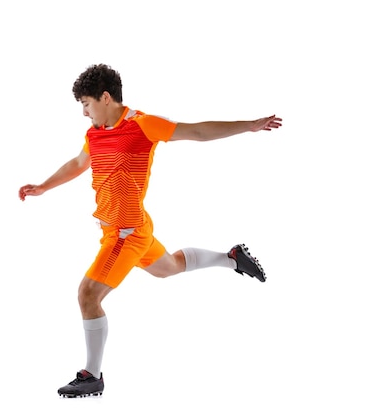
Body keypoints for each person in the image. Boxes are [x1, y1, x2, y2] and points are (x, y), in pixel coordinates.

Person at [18, 64, 282, 398]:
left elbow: (196, 131)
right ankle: (231, 259)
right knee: (169, 267)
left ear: (105, 97)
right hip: (132, 227)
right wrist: (43, 186)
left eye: (86, 104)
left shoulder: (142, 125)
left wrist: (249, 126)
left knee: (88, 295)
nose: (84, 112)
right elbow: (78, 163)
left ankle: (92, 375)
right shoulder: (94, 132)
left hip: (125, 234)